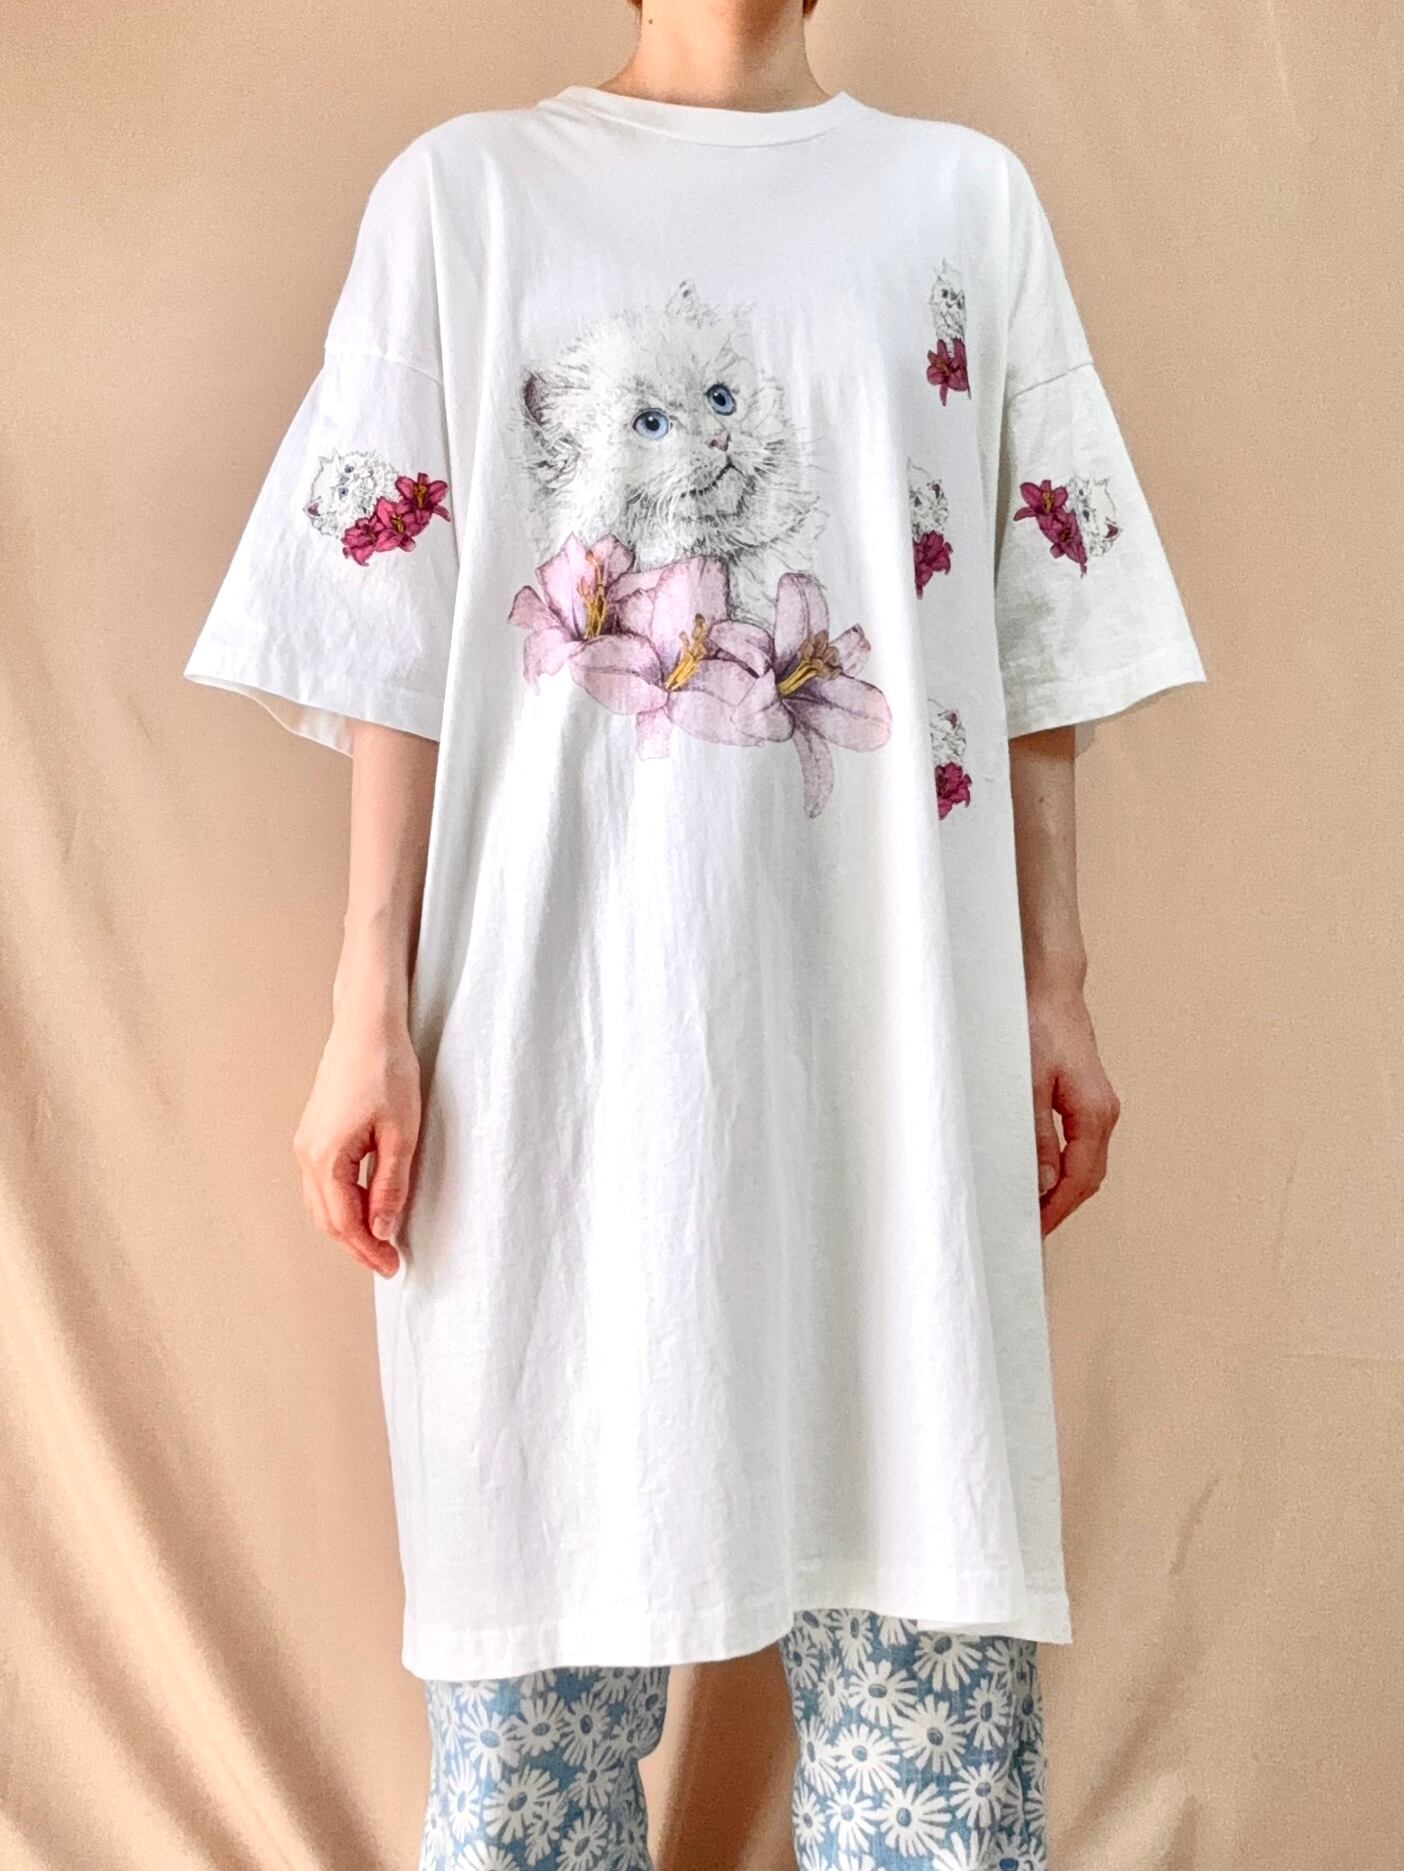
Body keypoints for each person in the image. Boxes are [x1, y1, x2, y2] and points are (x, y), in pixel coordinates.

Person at [183, 0, 1207, 1863]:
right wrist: (365, 1013)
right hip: (550, 1051)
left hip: (889, 1044)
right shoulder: (469, 198)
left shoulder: (961, 204)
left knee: (932, 1707)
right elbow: (391, 651)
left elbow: (1038, 628)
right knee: (528, 1750)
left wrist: (1055, 988)